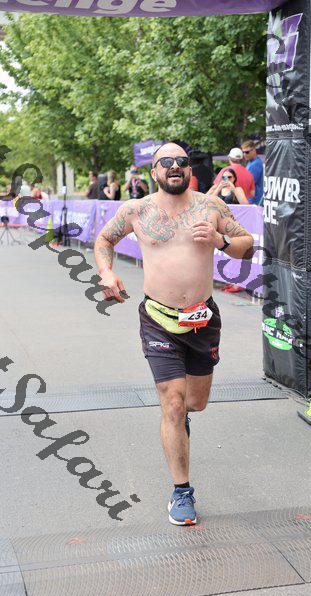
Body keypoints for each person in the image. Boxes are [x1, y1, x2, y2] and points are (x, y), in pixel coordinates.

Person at [94, 142, 254, 526]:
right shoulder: (136, 210)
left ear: (189, 170)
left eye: (181, 161)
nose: (175, 167)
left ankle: (181, 420)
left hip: (202, 320)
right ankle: (182, 491)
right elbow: (103, 240)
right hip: (158, 318)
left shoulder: (210, 206)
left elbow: (247, 247)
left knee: (195, 403)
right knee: (173, 403)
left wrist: (221, 241)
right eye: (166, 162)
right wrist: (106, 272)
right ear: (154, 172)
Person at [242, 140, 264, 206]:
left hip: (255, 201)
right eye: (243, 152)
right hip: (253, 200)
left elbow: (249, 184)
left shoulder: (256, 164)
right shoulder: (251, 162)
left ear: (254, 150)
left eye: (247, 152)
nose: (244, 154)